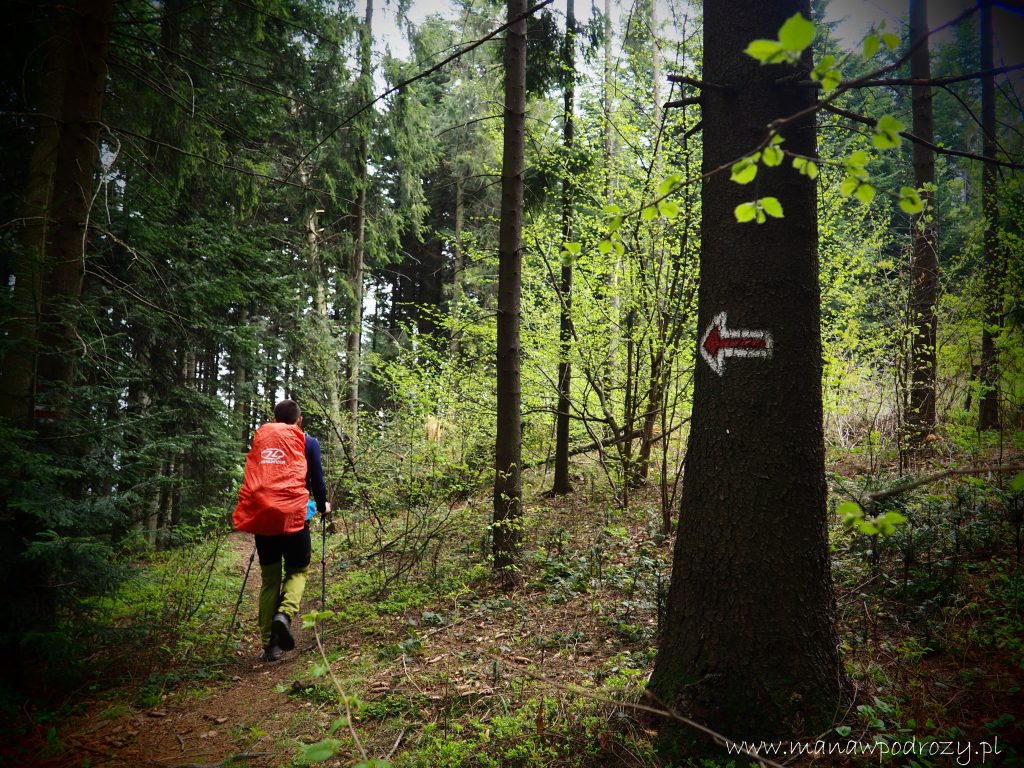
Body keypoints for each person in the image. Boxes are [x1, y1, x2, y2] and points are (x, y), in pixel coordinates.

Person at [233, 399, 328, 661]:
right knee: (298, 570)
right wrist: (322, 506)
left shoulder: (263, 440)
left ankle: (270, 646)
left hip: (265, 519)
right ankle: (283, 615)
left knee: (270, 579)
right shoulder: (308, 442)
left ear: (274, 420)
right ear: (299, 421)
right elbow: (318, 482)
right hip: (295, 518)